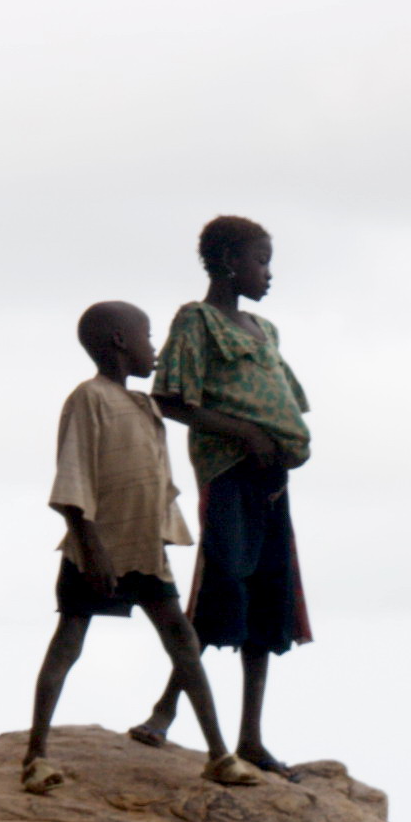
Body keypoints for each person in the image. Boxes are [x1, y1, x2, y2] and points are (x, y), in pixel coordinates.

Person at [27, 299, 255, 792]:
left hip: (144, 548)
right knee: (68, 643)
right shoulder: (88, 399)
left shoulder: (144, 404)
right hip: (97, 548)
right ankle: (36, 757)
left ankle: (219, 754)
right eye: (148, 336)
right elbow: (73, 478)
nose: (154, 348)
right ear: (119, 342)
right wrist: (92, 547)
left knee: (183, 643)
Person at [131, 214, 309, 774]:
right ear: (229, 261)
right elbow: (171, 399)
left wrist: (275, 443)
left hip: (271, 480)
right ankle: (165, 710)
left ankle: (250, 736)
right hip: (229, 472)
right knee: (222, 584)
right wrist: (245, 432)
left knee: (267, 594)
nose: (269, 273)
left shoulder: (265, 330)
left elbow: (287, 401)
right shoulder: (198, 321)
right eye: (261, 259)